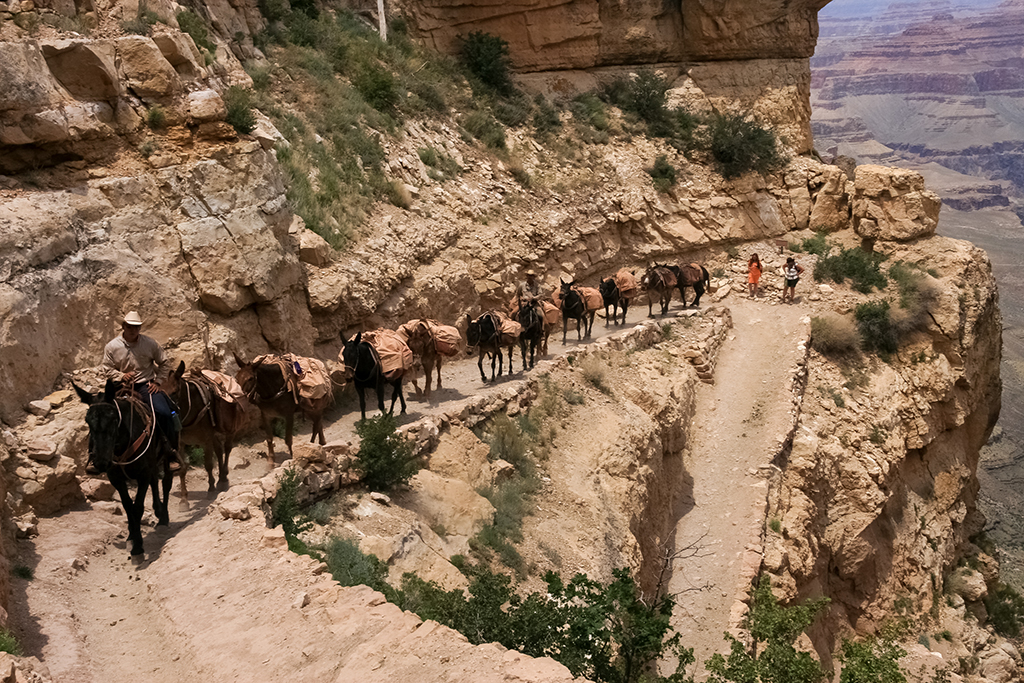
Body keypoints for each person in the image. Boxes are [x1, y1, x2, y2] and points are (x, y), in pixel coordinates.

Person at [100, 311, 182, 473]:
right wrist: (121, 375)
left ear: (140, 328)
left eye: (136, 327)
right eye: (130, 327)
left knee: (164, 413)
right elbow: (106, 368)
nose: (133, 330)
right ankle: (96, 455)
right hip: (121, 385)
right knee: (99, 413)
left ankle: (171, 453)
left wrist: (158, 382)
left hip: (146, 386)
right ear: (123, 326)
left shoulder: (150, 344)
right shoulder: (112, 346)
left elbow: (164, 363)